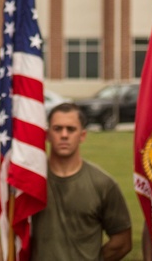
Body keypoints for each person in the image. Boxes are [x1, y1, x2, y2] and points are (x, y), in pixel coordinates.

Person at [21, 103, 132, 260]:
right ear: (47, 134)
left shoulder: (103, 184)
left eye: (71, 129)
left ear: (82, 135)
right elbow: (11, 233)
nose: (64, 135)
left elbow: (122, 242)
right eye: (57, 129)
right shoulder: (30, 181)